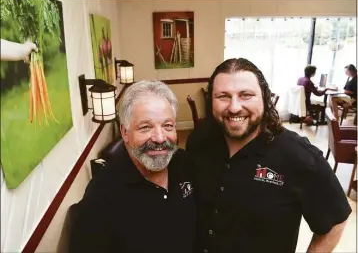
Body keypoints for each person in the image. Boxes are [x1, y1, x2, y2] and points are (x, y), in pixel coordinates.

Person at [186, 58, 351, 253]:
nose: (234, 107)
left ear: (264, 97)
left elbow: (335, 221)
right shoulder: (199, 141)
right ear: (210, 100)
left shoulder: (298, 156)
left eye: (246, 95)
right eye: (223, 96)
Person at [69, 81, 196, 253]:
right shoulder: (101, 196)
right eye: (145, 127)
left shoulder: (185, 163)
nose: (159, 138)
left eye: (167, 126)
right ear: (125, 133)